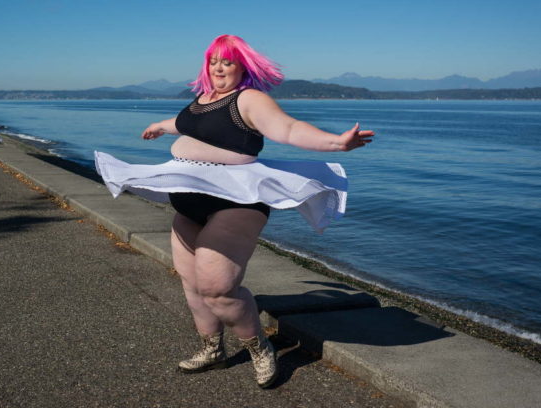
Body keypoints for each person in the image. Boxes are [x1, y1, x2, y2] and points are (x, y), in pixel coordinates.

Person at [94, 35, 374, 388]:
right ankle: (213, 350)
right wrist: (161, 126)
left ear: (242, 66)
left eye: (227, 61)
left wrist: (335, 142)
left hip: (236, 203)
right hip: (190, 200)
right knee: (192, 283)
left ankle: (259, 346)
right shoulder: (204, 98)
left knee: (218, 289)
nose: (219, 67)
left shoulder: (249, 99)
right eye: (213, 61)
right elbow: (188, 124)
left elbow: (286, 128)